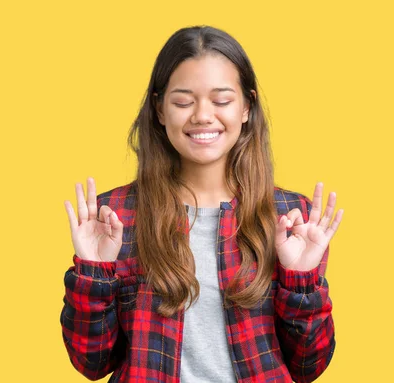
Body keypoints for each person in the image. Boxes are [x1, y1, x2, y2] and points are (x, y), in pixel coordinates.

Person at [60, 25, 343, 383]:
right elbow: (92, 364)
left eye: (222, 100)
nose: (202, 115)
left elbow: (308, 366)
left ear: (246, 107)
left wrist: (300, 281)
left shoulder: (291, 218)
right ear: (160, 110)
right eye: (182, 102)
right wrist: (93, 273)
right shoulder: (113, 216)